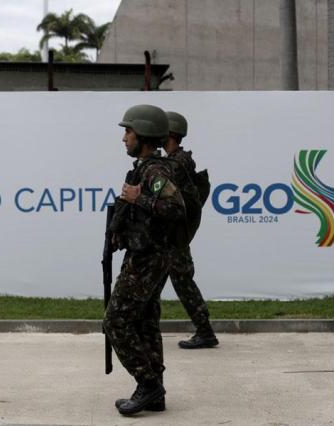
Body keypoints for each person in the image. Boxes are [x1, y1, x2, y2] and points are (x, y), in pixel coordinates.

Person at [104, 104, 186, 415]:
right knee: (145, 321)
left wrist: (141, 199)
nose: (124, 137)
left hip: (148, 258)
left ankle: (149, 384)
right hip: (145, 254)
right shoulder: (146, 167)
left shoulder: (154, 171)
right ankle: (156, 393)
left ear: (145, 134)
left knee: (115, 321)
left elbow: (177, 209)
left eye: (128, 131)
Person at [162, 111, 219, 349]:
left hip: (174, 235)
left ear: (171, 134)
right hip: (172, 233)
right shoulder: (174, 160)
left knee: (182, 280)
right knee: (175, 280)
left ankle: (205, 331)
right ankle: (204, 330)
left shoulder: (179, 162)